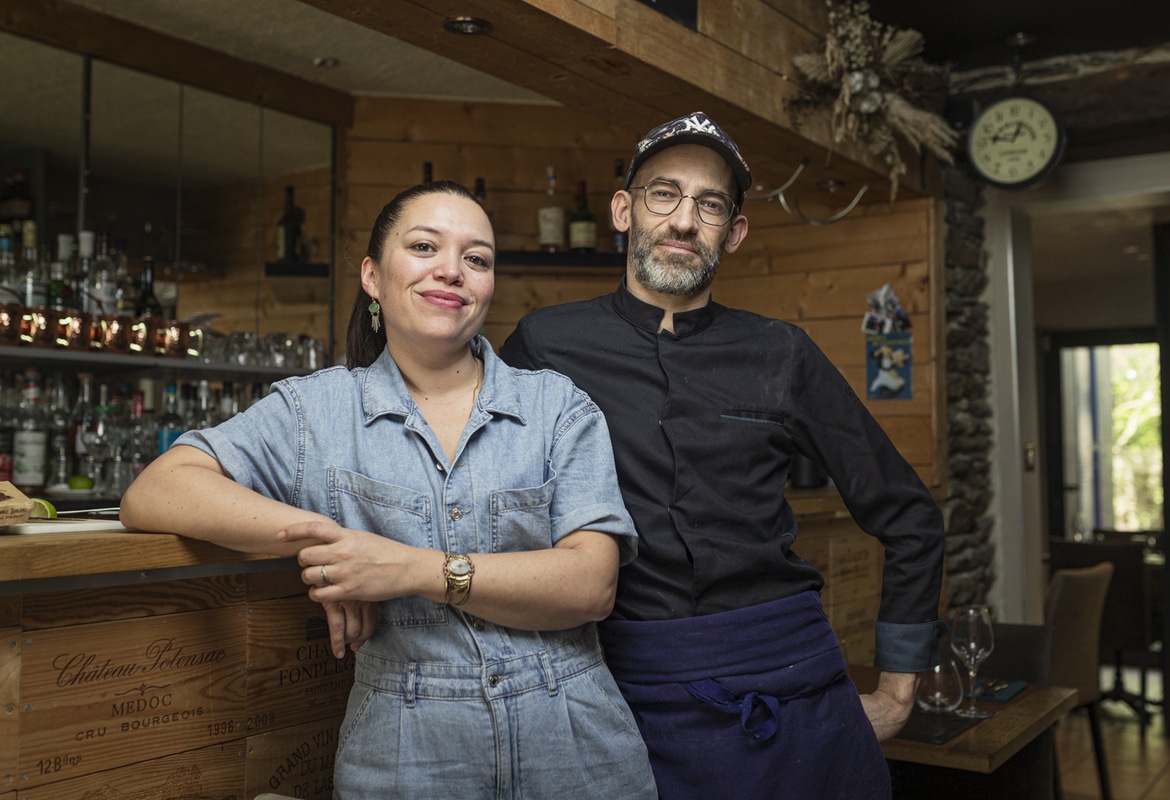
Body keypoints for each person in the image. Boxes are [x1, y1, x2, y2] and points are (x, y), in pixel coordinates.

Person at [120, 181, 657, 799]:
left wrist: (408, 568)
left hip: (576, 740)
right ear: (372, 277)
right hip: (406, 749)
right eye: (425, 246)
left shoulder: (556, 406)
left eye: (476, 259)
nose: (452, 271)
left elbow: (592, 585)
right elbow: (158, 489)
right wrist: (337, 545)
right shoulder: (315, 412)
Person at [500, 112, 946, 799]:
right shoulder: (545, 344)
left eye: (710, 204)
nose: (684, 220)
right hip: (621, 692)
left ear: (733, 233)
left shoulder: (784, 352)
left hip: (791, 683)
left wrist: (897, 687)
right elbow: (481, 491)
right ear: (624, 211)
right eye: (663, 194)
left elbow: (910, 515)